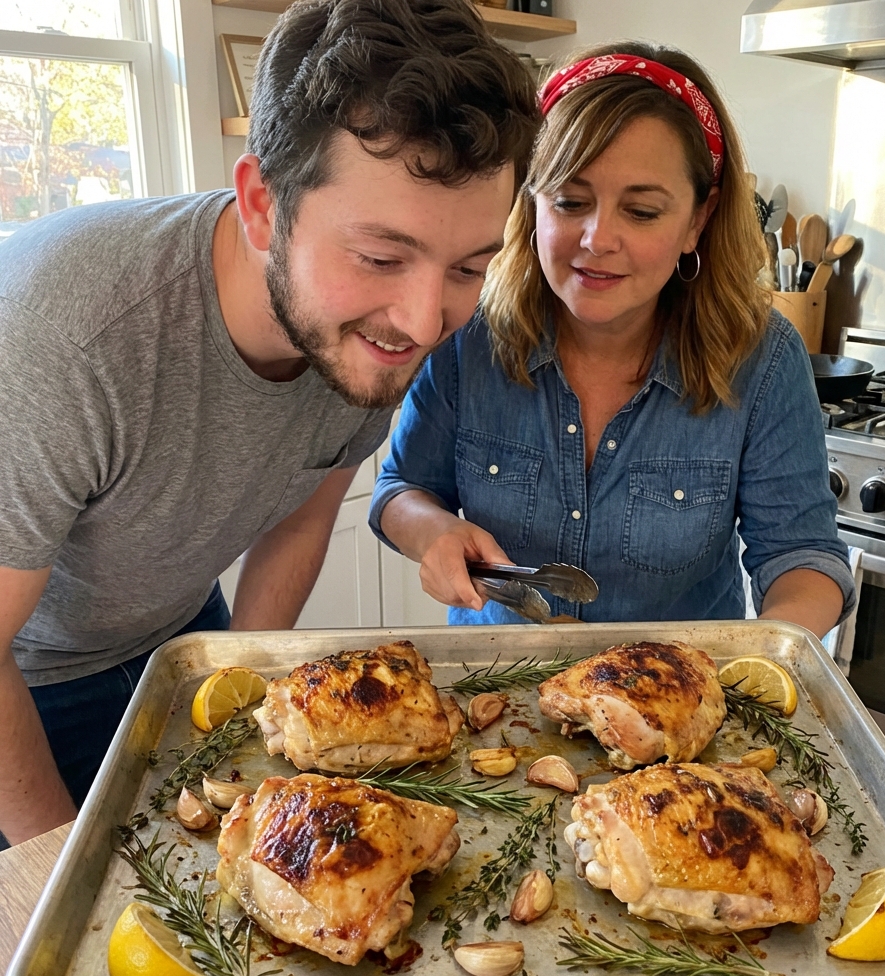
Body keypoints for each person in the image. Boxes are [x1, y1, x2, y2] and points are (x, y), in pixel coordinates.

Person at [0, 0, 539, 846]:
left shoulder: (374, 331)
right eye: (379, 256)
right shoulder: (66, 335)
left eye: (470, 266)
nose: (426, 320)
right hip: (22, 683)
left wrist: (245, 698)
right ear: (261, 205)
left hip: (178, 637)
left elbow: (301, 514)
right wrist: (48, 872)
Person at [370, 44, 855, 637]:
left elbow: (804, 557)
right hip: (497, 693)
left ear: (696, 222)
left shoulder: (762, 357)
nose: (598, 239)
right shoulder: (469, 335)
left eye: (643, 211)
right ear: (531, 201)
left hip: (673, 706)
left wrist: (765, 653)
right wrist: (433, 532)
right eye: (571, 202)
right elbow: (401, 489)